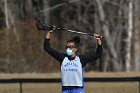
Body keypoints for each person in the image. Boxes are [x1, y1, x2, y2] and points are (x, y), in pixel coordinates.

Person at [44, 27, 103, 93]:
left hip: (78, 89)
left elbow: (98, 54)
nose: (68, 49)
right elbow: (47, 48)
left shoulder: (81, 59)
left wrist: (98, 40)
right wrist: (49, 32)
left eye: (70, 47)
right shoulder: (62, 58)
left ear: (75, 49)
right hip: (65, 89)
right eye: (67, 47)